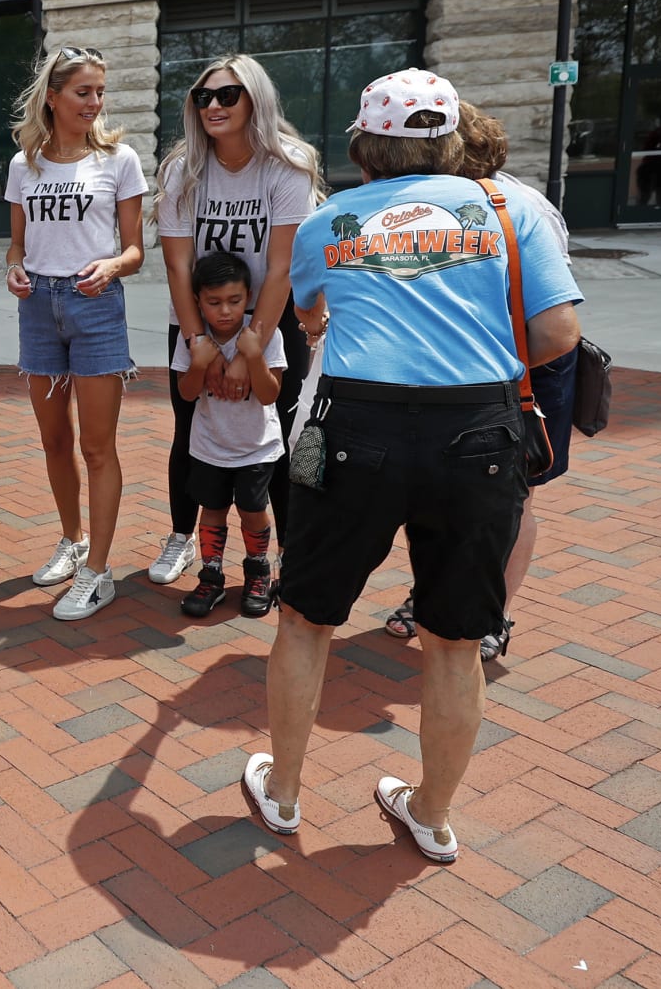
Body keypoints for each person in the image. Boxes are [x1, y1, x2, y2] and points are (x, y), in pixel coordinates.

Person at [243, 70, 580, 867]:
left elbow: (311, 314)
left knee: (305, 618)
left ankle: (284, 794)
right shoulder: (509, 209)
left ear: (365, 146)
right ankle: (430, 814)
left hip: (359, 427)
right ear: (451, 135)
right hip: (478, 434)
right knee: (458, 641)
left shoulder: (328, 221)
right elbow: (559, 333)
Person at [382, 103, 578, 661]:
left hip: (524, 373)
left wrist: (494, 367)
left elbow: (557, 329)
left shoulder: (518, 208)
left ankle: (495, 613)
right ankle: (432, 594)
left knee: (512, 502)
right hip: (466, 376)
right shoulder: (439, 206)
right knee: (447, 495)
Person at [152, 56, 321, 604]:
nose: (214, 107)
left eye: (227, 96)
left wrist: (250, 348)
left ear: (256, 100)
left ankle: (284, 554)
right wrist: (201, 341)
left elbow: (281, 266)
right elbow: (178, 266)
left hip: (266, 322)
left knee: (272, 441)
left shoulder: (287, 166)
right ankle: (186, 538)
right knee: (193, 432)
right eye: (203, 98)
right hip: (198, 321)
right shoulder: (182, 170)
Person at [0, 46, 146, 622]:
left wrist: (111, 266)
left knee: (96, 446)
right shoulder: (24, 165)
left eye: (100, 92)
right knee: (54, 440)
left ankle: (99, 572)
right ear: (53, 98)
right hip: (38, 305)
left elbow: (135, 251)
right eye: (83, 92)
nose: (95, 102)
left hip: (96, 306)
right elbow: (17, 242)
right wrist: (14, 266)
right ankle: (72, 539)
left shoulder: (119, 160)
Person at [171, 252, 286, 617]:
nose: (225, 311)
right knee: (213, 510)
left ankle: (257, 572)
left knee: (253, 511)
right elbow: (187, 393)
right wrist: (200, 361)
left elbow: (270, 395)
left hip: (256, 447)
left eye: (234, 301)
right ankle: (212, 576)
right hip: (209, 446)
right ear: (197, 301)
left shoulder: (264, 335)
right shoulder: (194, 340)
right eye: (214, 302)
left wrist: (252, 357)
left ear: (249, 296)